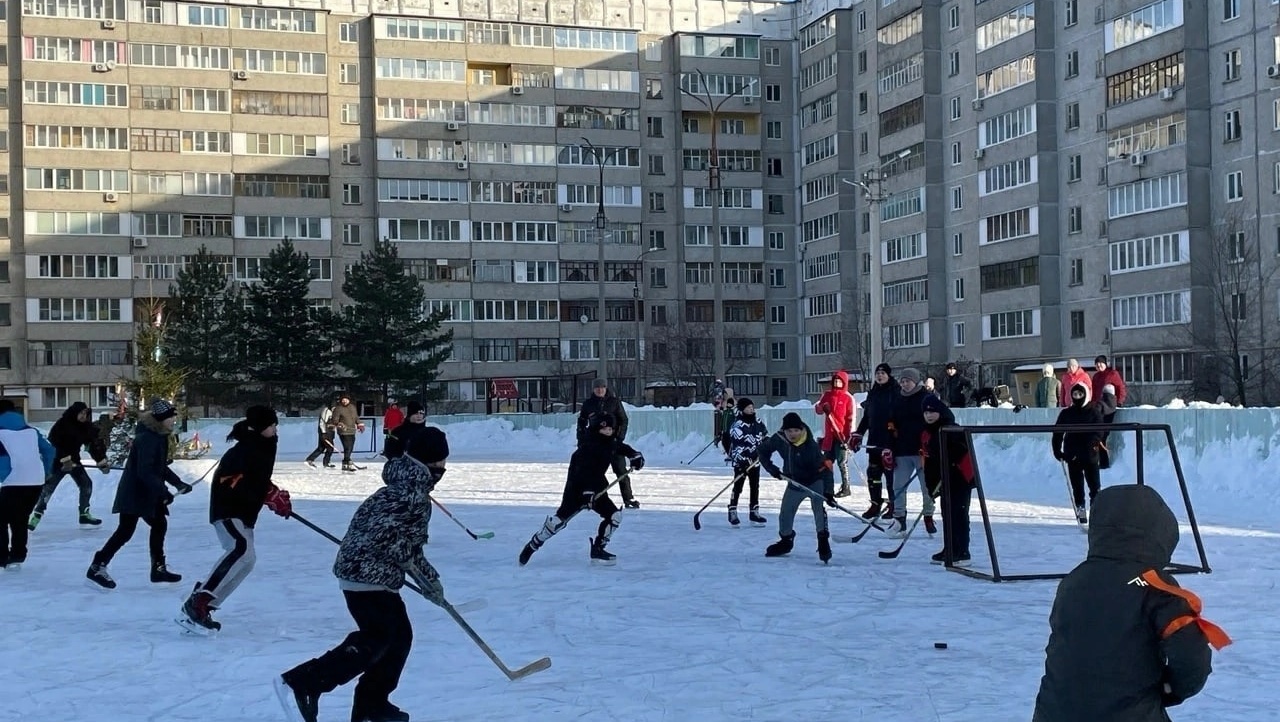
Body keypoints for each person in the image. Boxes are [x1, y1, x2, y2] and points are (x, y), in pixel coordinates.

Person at [276, 431, 447, 722]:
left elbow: (407, 545)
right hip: (366, 574)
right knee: (378, 637)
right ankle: (305, 682)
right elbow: (389, 538)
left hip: (368, 572)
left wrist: (428, 579)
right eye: (441, 461)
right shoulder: (411, 494)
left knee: (398, 637)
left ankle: (372, 705)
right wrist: (421, 573)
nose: (444, 467)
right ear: (430, 462)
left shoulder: (406, 486)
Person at [1032, 484, 1231, 722]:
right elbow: (1190, 654)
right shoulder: (1154, 586)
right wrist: (1171, 690)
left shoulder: (1074, 581)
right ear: (1160, 533)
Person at [178, 405, 291, 634]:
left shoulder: (265, 445)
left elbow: (257, 480)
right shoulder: (242, 450)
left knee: (247, 559)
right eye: (271, 425)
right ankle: (199, 601)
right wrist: (266, 494)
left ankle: (206, 606)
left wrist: (273, 494)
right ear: (258, 427)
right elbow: (232, 482)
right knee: (239, 548)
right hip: (228, 509)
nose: (275, 429)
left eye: (275, 425)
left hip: (246, 512)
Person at [86, 399, 193, 589]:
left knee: (155, 525)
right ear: (160, 419)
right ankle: (98, 566)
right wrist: (163, 491)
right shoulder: (148, 439)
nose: (173, 420)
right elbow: (145, 471)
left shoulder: (158, 436)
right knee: (127, 531)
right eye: (170, 417)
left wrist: (178, 483)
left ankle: (157, 568)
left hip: (145, 491)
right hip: (136, 492)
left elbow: (159, 467)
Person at [519, 412, 644, 566]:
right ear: (597, 428)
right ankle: (533, 544)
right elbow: (580, 472)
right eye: (605, 428)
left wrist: (634, 455)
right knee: (557, 523)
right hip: (576, 491)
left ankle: (598, 548)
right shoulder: (587, 447)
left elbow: (621, 447)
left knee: (615, 516)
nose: (609, 431)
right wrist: (587, 492)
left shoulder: (610, 442)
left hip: (597, 488)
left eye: (611, 428)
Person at [758, 412, 835, 563]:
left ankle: (823, 540)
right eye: (789, 431)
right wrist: (772, 469)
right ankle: (786, 540)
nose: (793, 434)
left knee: (818, 509)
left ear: (801, 430)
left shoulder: (811, 446)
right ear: (784, 431)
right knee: (785, 513)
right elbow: (762, 451)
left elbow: (826, 468)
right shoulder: (779, 439)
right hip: (795, 483)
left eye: (796, 431)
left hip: (815, 481)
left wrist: (828, 492)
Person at [29, 401, 111, 529]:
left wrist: (101, 462)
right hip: (58, 463)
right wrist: (65, 460)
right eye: (81, 413)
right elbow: (53, 445)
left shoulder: (85, 427)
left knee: (86, 484)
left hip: (75, 463)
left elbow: (92, 446)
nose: (83, 416)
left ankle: (84, 514)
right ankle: (36, 516)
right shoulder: (62, 425)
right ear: (74, 413)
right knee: (48, 489)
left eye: (85, 413)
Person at [0, 400, 56, 569]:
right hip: (36, 481)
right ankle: (18, 554)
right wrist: (46, 471)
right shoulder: (31, 431)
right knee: (20, 518)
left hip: (13, 481)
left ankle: (2, 557)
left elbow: (3, 458)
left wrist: (4, 475)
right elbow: (49, 450)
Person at [919, 395, 975, 565]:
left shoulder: (951, 429)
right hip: (944, 481)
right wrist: (932, 485)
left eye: (932, 412)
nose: (929, 415)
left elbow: (961, 453)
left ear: (940, 412)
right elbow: (930, 461)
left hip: (960, 479)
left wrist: (950, 466)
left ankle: (962, 552)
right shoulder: (928, 432)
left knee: (959, 514)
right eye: (926, 412)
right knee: (947, 514)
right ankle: (949, 548)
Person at [883, 368, 934, 537]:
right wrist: (889, 446)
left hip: (922, 452)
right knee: (898, 486)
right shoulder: (898, 399)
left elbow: (934, 421)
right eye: (903, 381)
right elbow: (890, 423)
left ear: (916, 381)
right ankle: (900, 520)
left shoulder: (926, 397)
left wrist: (930, 443)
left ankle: (928, 515)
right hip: (902, 450)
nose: (905, 384)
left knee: (927, 486)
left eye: (908, 381)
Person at [577, 379, 637, 509]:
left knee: (621, 471)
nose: (600, 390)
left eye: (602, 387)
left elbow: (623, 420)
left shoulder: (614, 402)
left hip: (613, 443)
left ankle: (628, 498)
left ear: (606, 389)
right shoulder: (588, 404)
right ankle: (592, 497)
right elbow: (581, 423)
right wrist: (581, 441)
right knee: (594, 472)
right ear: (593, 389)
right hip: (595, 445)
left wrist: (619, 438)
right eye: (597, 388)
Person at [850, 363, 899, 520]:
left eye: (883, 373)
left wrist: (896, 429)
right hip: (874, 441)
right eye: (877, 373)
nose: (880, 375)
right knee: (873, 474)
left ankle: (894, 504)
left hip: (890, 442)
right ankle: (875, 503)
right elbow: (867, 417)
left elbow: (901, 415)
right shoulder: (873, 393)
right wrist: (858, 433)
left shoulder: (896, 391)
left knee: (891, 477)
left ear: (889, 375)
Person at [1052, 383, 1103, 525]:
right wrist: (1057, 450)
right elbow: (1057, 432)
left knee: (1094, 486)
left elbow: (1100, 432)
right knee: (1077, 485)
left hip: (1090, 455)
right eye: (1075, 394)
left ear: (1086, 395)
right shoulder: (1067, 413)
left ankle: (1096, 511)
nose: (1078, 397)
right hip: (1072, 454)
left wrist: (1092, 445)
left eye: (1080, 394)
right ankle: (1080, 508)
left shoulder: (1094, 412)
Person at [720, 397, 768, 527]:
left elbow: (764, 436)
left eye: (752, 407)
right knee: (738, 486)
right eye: (748, 408)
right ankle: (732, 510)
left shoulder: (758, 422)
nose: (751, 409)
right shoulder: (737, 425)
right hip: (741, 462)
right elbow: (737, 445)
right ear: (742, 410)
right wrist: (742, 460)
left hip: (755, 460)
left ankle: (754, 511)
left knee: (755, 486)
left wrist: (766, 446)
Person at [815, 370, 856, 498]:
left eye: (839, 381)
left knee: (842, 462)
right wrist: (823, 407)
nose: (837, 383)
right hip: (829, 436)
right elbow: (818, 410)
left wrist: (848, 436)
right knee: (827, 462)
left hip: (841, 435)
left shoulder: (848, 398)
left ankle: (846, 487)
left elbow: (850, 418)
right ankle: (828, 487)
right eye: (835, 381)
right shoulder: (827, 395)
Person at [329, 393, 365, 472]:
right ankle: (347, 463)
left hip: (352, 430)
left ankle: (345, 463)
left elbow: (356, 418)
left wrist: (360, 424)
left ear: (349, 400)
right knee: (347, 447)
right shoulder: (338, 408)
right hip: (343, 431)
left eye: (346, 399)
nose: (345, 401)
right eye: (343, 399)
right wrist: (339, 424)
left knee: (350, 447)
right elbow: (335, 420)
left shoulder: (352, 407)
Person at [304, 403, 336, 469]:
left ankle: (310, 460)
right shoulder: (326, 411)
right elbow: (322, 422)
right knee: (330, 448)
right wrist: (323, 433)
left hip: (329, 433)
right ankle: (326, 463)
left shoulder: (331, 412)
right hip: (325, 433)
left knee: (321, 448)